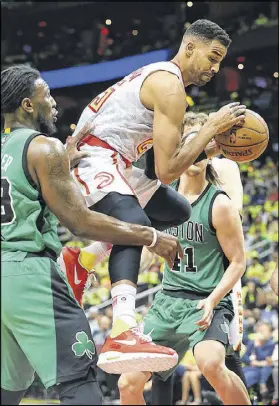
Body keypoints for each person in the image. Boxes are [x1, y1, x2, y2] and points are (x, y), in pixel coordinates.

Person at [59, 19, 246, 374]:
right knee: (135, 224)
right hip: (93, 155)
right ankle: (122, 330)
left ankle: (82, 260)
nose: (215, 68)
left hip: (125, 161)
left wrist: (209, 147)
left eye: (220, 61)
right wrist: (209, 126)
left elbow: (163, 164)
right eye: (213, 56)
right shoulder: (170, 88)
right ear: (190, 47)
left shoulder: (168, 82)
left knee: (177, 208)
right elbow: (166, 171)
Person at [0, 65, 183, 405]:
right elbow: (80, 223)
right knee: (80, 382)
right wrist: (151, 237)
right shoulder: (44, 148)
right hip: (30, 275)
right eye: (47, 95)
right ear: (28, 104)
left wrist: (59, 168)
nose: (53, 102)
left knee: (7, 391)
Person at [117, 112, 251, 405]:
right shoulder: (160, 199)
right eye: (191, 143)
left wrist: (214, 300)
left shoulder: (220, 203)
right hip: (168, 302)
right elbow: (147, 248)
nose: (198, 151)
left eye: (203, 144)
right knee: (128, 382)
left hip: (206, 299)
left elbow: (239, 262)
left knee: (213, 364)